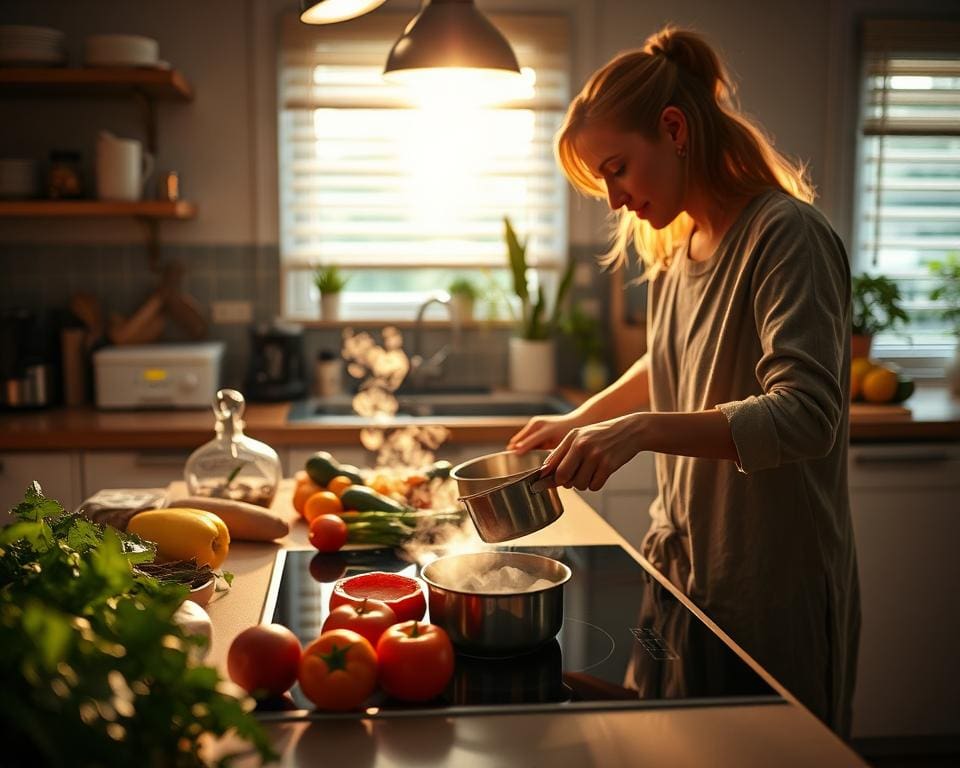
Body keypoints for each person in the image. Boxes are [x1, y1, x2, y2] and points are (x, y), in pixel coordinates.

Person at [508, 25, 860, 737]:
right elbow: (666, 362)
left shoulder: (785, 234)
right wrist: (582, 421)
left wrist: (636, 432)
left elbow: (805, 413)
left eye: (616, 169)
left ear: (673, 129)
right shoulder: (680, 247)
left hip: (770, 590)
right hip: (687, 576)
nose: (612, 200)